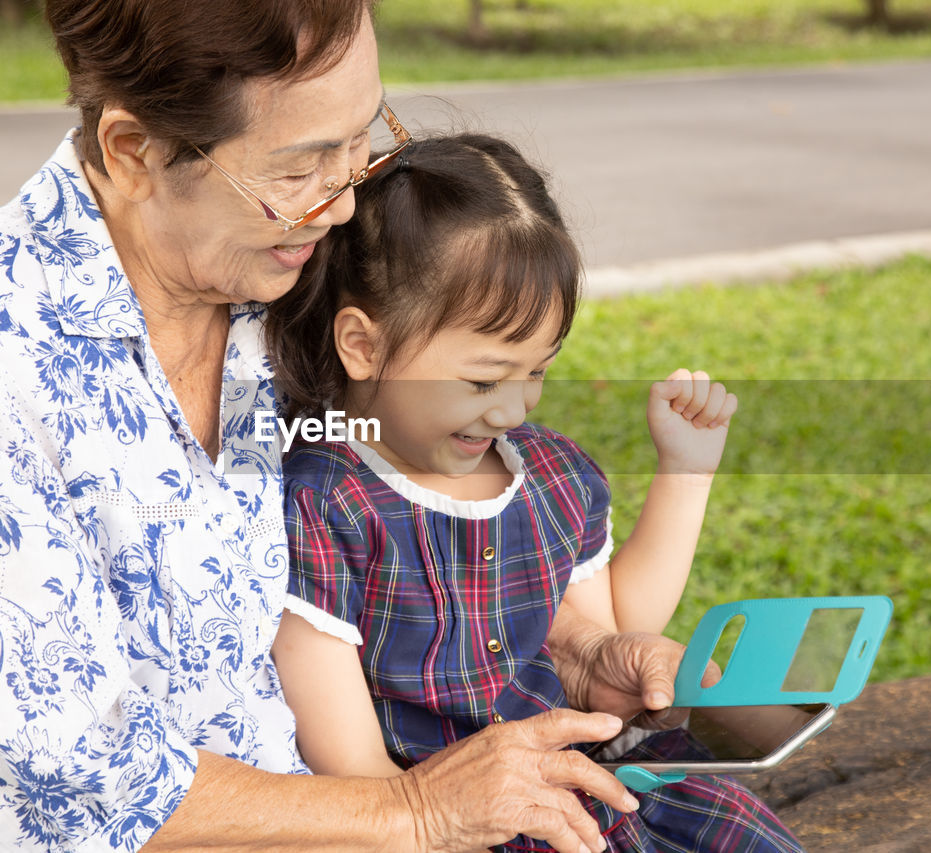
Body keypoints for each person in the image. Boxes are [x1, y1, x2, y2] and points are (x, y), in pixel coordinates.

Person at [0, 2, 700, 851]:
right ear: (134, 149)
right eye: (300, 165)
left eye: (362, 141)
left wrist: (575, 654)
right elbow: (66, 788)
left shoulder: (277, 281)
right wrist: (414, 811)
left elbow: (404, 522)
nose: (342, 201)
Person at [265, 133, 801, 851]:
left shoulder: (550, 475)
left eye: (536, 372)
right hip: (457, 824)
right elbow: (352, 766)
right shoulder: (326, 505)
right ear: (363, 344)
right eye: (483, 379)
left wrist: (686, 472)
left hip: (593, 797)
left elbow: (616, 623)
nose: (512, 409)